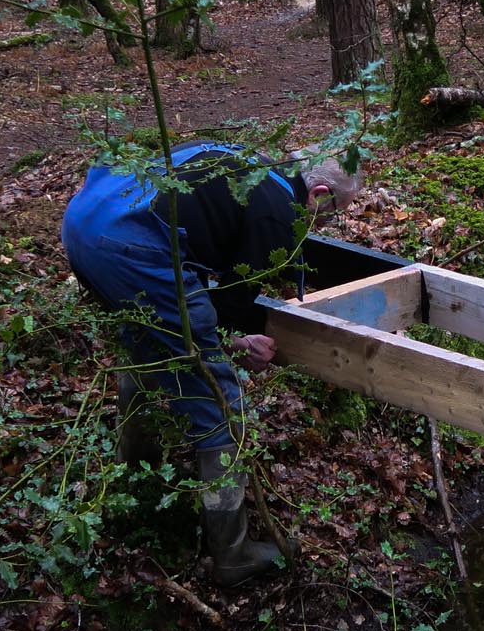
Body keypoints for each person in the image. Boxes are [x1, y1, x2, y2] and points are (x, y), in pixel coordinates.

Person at [60, 138, 362, 585]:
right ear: (318, 195)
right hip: (128, 242)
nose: (328, 222)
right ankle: (233, 553)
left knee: (146, 349)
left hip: (87, 218)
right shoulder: (276, 210)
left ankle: (137, 475)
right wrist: (238, 343)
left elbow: (201, 244)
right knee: (218, 398)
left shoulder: (252, 161)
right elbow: (231, 302)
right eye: (334, 211)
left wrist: (220, 333)